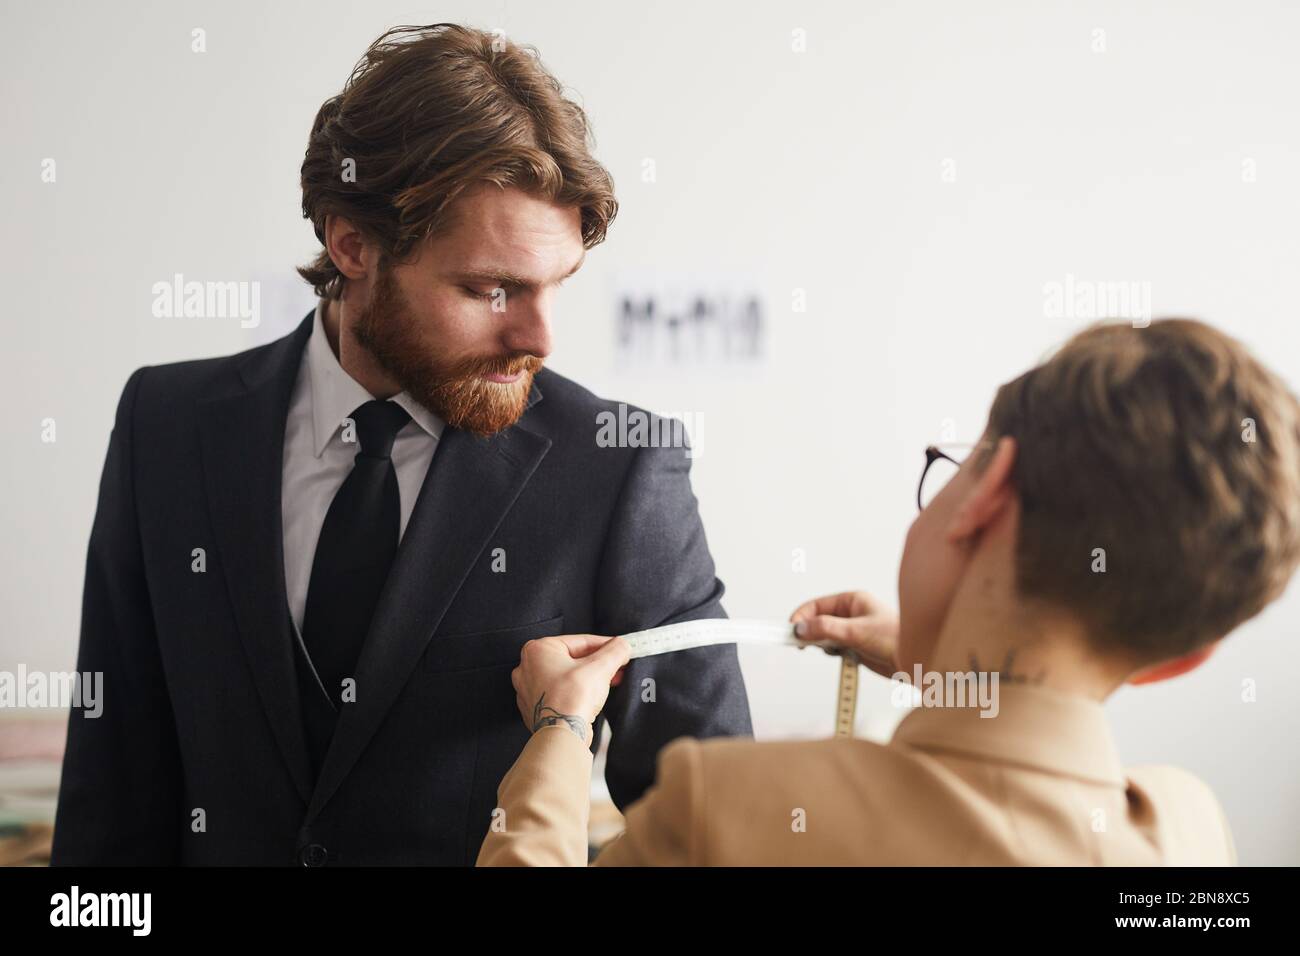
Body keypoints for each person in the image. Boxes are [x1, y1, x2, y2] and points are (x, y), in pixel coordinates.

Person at [51, 23, 751, 867]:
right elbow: (112, 793)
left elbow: (721, 831)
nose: (540, 335)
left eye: (556, 285)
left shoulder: (621, 468)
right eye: (492, 289)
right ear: (352, 244)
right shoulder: (165, 427)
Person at [479, 318, 1300, 866]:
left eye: (950, 467)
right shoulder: (1190, 835)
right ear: (1185, 659)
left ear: (987, 493)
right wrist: (936, 659)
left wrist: (558, 731)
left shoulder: (727, 811)